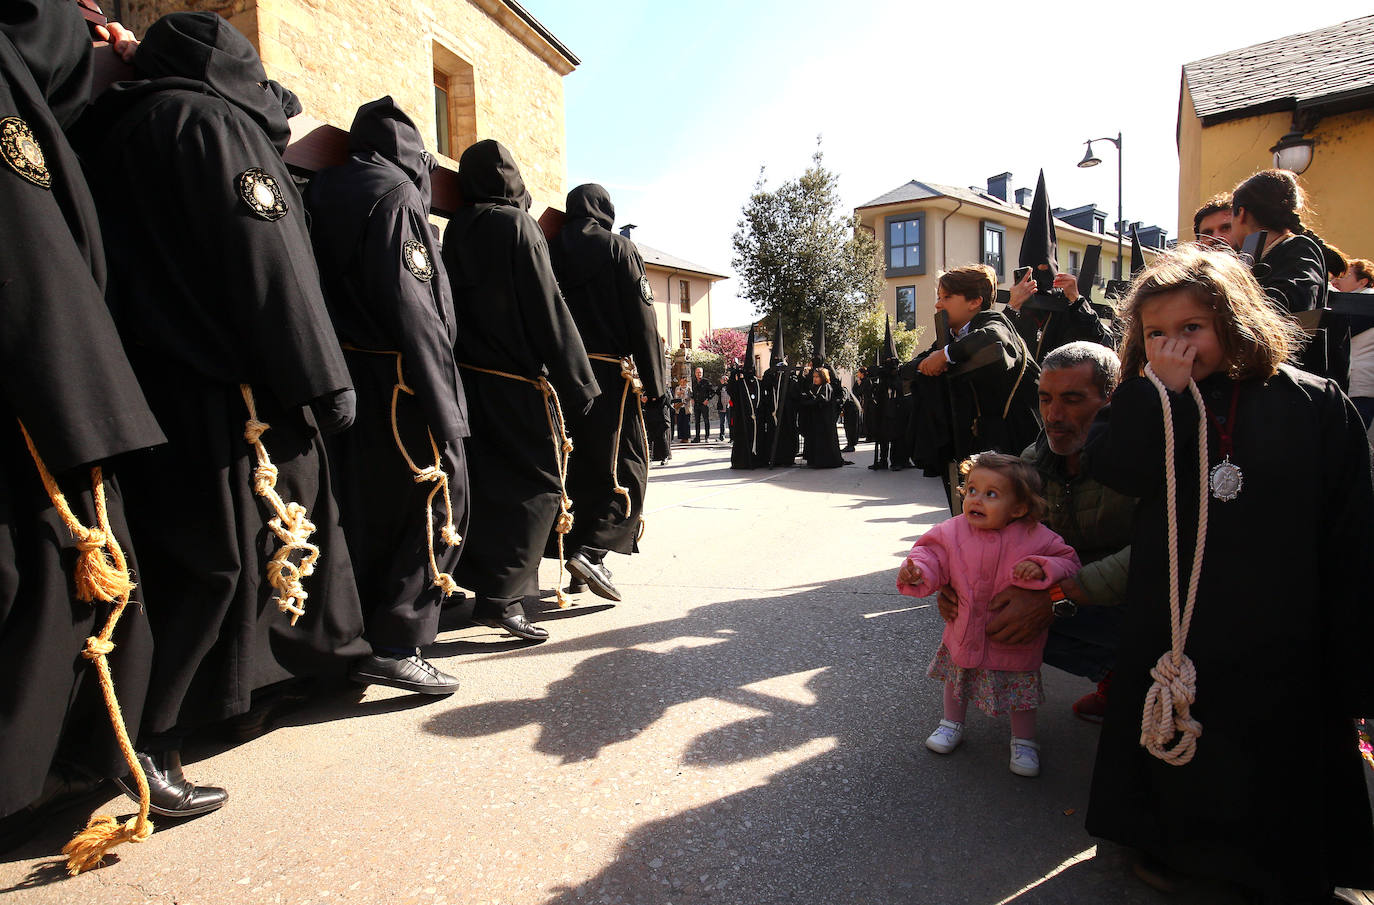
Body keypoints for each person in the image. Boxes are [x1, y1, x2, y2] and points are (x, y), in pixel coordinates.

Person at [80, 11, 371, 814]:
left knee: (187, 559)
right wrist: (322, 375)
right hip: (223, 391)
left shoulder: (118, 126)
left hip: (145, 378)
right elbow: (269, 261)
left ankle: (203, 711)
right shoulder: (213, 124)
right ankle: (145, 746)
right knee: (217, 564)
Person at [1081, 245, 1374, 900]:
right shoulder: (1151, 398)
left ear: (1235, 320)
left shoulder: (1313, 404)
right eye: (1156, 333)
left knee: (1270, 743)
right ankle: (1171, 849)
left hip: (1280, 617)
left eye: (1191, 328)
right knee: (1185, 736)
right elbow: (1117, 467)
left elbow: (1350, 527)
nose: (1174, 345)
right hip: (1180, 619)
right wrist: (1158, 393)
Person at [0, 0, 166, 848]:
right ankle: (51, 787)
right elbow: (26, 254)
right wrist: (88, 397)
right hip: (40, 393)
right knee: (53, 585)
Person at [303, 97, 467, 693]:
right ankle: (399, 640)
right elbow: (415, 307)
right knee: (432, 507)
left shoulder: (321, 188)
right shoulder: (394, 195)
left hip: (345, 375)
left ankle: (364, 638)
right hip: (402, 381)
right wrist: (446, 406)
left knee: (363, 512)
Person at [441, 139, 597, 643]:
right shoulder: (515, 226)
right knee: (541, 485)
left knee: (488, 485)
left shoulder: (458, 227)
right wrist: (578, 381)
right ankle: (501, 598)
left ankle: (484, 585)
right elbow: (545, 304)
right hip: (514, 380)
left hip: (467, 377)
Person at [950, 343, 1137, 723]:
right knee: (987, 609)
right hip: (1071, 586)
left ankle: (1148, 682)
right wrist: (952, 583)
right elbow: (987, 539)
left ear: (1111, 400)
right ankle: (1118, 678)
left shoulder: (1140, 458)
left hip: (1140, 596)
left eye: (1072, 400)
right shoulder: (1030, 465)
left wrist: (1054, 597)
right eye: (1046, 398)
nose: (1053, 415)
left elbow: (1160, 550)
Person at [898, 453, 1080, 778]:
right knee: (957, 680)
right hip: (965, 631)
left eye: (991, 494)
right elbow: (930, 554)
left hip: (1012, 638)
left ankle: (1024, 741)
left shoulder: (1037, 537)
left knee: (1021, 693)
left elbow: (1069, 561)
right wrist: (919, 570)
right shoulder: (953, 531)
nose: (976, 500)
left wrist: (1042, 566)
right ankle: (950, 723)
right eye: (971, 490)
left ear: (1020, 508)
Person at [547, 183, 665, 603]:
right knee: (626, 467)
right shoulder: (619, 249)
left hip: (561, 378)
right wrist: (657, 386)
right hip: (609, 376)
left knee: (576, 469)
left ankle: (577, 563)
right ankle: (592, 552)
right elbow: (643, 320)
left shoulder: (548, 247)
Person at [911, 264, 1041, 513]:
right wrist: (931, 361)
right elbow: (914, 367)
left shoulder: (993, 321)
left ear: (974, 302)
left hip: (1011, 449)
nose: (938, 305)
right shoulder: (948, 337)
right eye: (939, 298)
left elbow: (994, 339)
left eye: (946, 297)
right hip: (972, 453)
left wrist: (946, 355)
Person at [797, 367, 847, 468]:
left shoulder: (826, 387)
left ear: (823, 377)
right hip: (815, 421)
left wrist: (809, 403)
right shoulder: (813, 387)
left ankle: (824, 462)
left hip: (824, 422)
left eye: (817, 377)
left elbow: (822, 400)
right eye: (814, 377)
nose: (815, 379)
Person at [691, 366, 712, 442]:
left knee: (706, 421)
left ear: (702, 373)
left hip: (704, 404)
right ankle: (697, 437)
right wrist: (692, 398)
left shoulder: (706, 382)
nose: (699, 374)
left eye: (700, 372)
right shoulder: (693, 382)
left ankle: (707, 437)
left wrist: (708, 399)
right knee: (697, 421)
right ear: (695, 373)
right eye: (697, 372)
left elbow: (712, 392)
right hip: (696, 404)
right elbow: (692, 392)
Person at [673, 376, 692, 442]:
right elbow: (675, 397)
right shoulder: (677, 388)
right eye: (681, 381)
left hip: (686, 407)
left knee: (686, 423)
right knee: (680, 423)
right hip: (679, 407)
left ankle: (686, 438)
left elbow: (689, 397)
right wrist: (679, 394)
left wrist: (684, 394)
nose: (683, 383)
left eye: (684, 381)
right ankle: (681, 438)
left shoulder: (689, 388)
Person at [715, 374, 730, 441]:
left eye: (726, 379)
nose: (724, 380)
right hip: (722, 406)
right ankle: (722, 436)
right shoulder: (720, 387)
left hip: (729, 406)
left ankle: (731, 436)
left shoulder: (730, 386)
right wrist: (721, 384)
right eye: (723, 379)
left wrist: (727, 383)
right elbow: (717, 392)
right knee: (722, 422)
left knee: (730, 422)